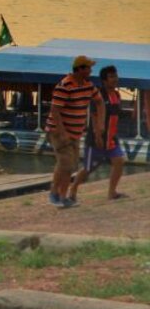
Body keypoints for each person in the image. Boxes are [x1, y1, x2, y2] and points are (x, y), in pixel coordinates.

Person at [46, 55, 105, 208]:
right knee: (65, 163)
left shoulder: (88, 85)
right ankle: (56, 194)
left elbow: (99, 102)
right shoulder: (65, 85)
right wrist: (62, 132)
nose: (91, 70)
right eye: (88, 68)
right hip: (59, 131)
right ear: (79, 69)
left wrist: (100, 124)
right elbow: (55, 110)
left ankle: (60, 195)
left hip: (76, 131)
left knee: (71, 165)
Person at [68, 65, 126, 201]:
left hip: (112, 138)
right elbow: (94, 117)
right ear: (104, 81)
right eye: (111, 77)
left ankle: (112, 193)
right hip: (96, 139)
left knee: (119, 161)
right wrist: (98, 135)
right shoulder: (98, 96)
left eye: (115, 76)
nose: (115, 79)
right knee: (88, 169)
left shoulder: (117, 95)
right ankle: (73, 189)